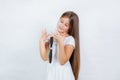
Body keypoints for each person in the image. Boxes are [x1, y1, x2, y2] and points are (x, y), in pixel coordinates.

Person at [39, 11, 80, 80]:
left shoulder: (70, 40)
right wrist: (41, 41)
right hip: (52, 73)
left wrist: (61, 42)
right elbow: (45, 57)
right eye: (61, 21)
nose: (61, 25)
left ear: (70, 28)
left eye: (66, 25)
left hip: (63, 75)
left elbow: (62, 61)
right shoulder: (52, 37)